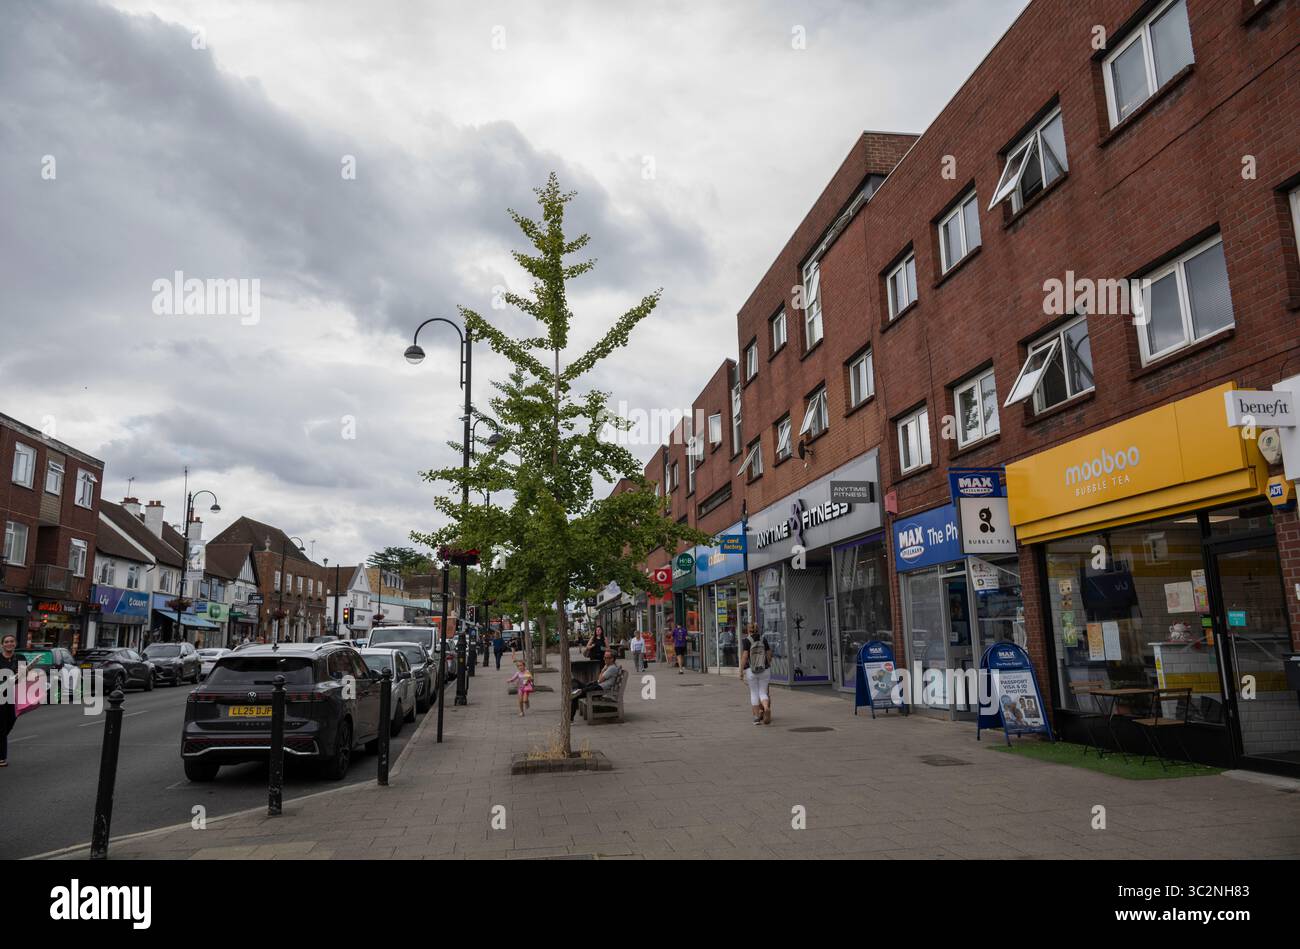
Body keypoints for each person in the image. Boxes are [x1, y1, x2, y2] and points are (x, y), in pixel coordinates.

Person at [570, 650, 619, 722]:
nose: (604, 659)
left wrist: (603, 670)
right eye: (604, 657)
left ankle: (570, 719)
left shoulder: (612, 668)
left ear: (612, 659)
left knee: (576, 696)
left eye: (606, 658)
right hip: (597, 685)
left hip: (600, 689)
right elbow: (599, 679)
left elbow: (600, 679)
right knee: (574, 681)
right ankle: (574, 692)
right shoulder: (609, 667)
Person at [741, 623, 772, 725]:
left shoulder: (747, 641)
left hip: (751, 670)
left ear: (748, 630)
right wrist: (767, 664)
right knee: (763, 692)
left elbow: (745, 656)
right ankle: (766, 707)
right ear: (758, 630)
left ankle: (756, 718)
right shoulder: (763, 639)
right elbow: (769, 654)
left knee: (754, 693)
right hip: (764, 669)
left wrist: (741, 670)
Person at [0, 634, 21, 766]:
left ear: (15, 643)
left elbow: (25, 678)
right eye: (6, 642)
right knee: (1, 726)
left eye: (11, 641)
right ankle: (1, 758)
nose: (9, 643)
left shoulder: (20, 658)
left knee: (10, 722)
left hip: (14, 697)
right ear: (2, 645)